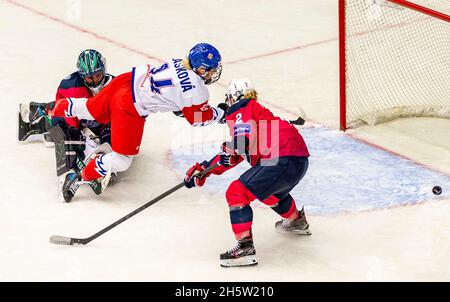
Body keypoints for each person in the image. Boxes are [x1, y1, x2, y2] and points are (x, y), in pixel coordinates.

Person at [44, 43, 227, 202]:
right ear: (201, 69)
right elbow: (197, 119)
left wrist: (180, 106)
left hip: (125, 81)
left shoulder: (179, 62)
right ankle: (77, 178)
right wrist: (220, 114)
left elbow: (175, 95)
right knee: (122, 160)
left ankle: (50, 109)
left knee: (89, 108)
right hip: (129, 107)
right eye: (211, 69)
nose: (213, 73)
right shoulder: (198, 90)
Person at [183, 78, 311, 267]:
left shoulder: (241, 107)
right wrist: (203, 170)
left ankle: (244, 248)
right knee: (267, 192)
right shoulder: (258, 115)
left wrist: (231, 148)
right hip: (299, 160)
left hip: (280, 158)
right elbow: (236, 153)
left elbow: (240, 143)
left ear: (233, 97)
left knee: (237, 192)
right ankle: (296, 221)